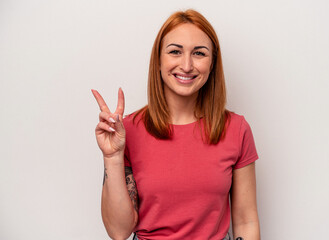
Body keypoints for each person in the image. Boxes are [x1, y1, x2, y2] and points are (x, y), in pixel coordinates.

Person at [92, 9, 260, 240]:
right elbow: (119, 232)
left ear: (212, 64)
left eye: (199, 53)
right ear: (159, 60)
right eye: (175, 52)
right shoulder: (127, 131)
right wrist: (112, 157)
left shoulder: (236, 129)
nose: (187, 65)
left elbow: (246, 221)